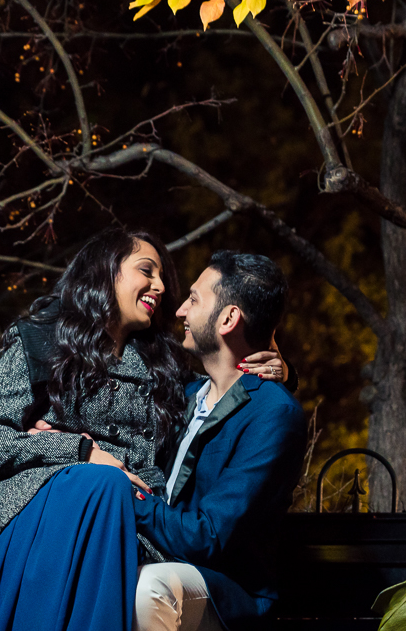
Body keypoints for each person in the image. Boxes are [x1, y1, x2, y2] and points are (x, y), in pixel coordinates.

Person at [0, 230, 286, 631]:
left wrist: (280, 371)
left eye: (163, 277)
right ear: (104, 272)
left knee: (109, 488)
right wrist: (78, 450)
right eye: (147, 270)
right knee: (104, 483)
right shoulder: (42, 341)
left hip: (129, 523)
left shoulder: (165, 366)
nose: (161, 287)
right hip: (43, 513)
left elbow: (222, 399)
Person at [129, 251, 307, 631]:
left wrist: (126, 496)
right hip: (163, 557)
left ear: (228, 319)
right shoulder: (184, 394)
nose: (180, 311)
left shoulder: (273, 414)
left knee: (149, 588)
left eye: (194, 299)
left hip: (225, 589)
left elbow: (209, 535)